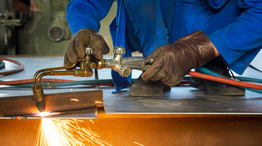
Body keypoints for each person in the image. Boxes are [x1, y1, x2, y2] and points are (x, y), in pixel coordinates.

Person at [64, 0, 262, 96]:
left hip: (211, 31)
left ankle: (214, 61)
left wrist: (200, 49)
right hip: (151, 25)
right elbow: (86, 2)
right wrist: (84, 28)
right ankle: (155, 64)